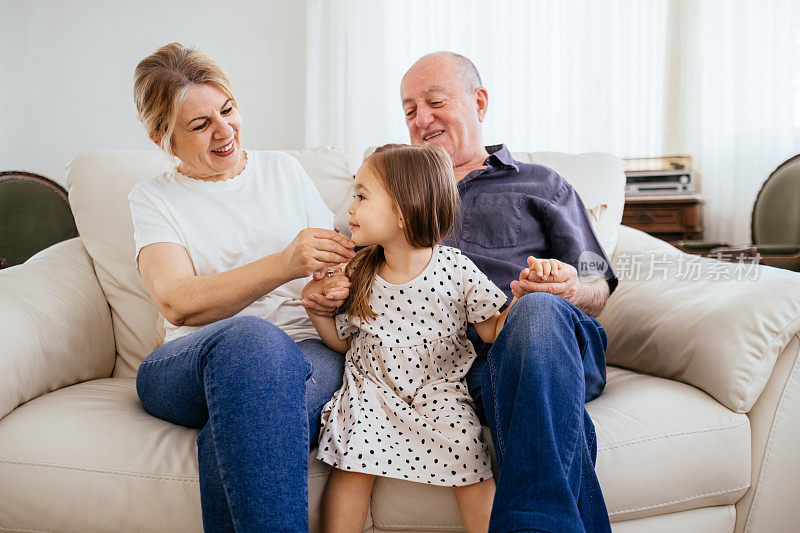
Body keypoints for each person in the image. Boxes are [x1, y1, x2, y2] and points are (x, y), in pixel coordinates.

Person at [303, 52, 618, 532]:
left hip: (541, 339)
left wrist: (572, 288)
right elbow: (348, 286)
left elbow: (600, 283)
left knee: (535, 311)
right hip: (455, 369)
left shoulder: (541, 184)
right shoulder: (390, 193)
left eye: (435, 101)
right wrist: (326, 294)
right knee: (540, 409)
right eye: (409, 110)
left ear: (479, 102)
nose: (421, 118)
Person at [129, 42, 354, 532]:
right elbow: (177, 302)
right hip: (188, 362)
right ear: (163, 139)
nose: (224, 131)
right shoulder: (153, 199)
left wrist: (333, 284)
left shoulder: (284, 171)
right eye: (199, 125)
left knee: (238, 424)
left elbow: (335, 270)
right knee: (251, 338)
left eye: (227, 111)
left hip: (305, 350)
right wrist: (282, 264)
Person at [303, 144, 559, 533]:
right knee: (350, 464)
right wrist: (319, 312)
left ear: (404, 212)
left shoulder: (455, 268)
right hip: (371, 389)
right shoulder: (359, 269)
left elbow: (493, 331)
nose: (349, 207)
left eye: (361, 196)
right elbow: (343, 344)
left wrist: (524, 300)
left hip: (440, 389)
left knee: (469, 458)